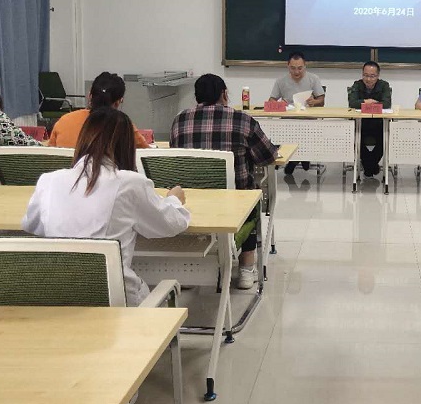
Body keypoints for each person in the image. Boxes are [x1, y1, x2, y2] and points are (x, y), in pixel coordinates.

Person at [22, 107, 190, 306]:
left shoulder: (49, 181)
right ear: (127, 145)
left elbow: (31, 225)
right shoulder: (129, 183)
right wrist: (174, 200)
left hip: (61, 301)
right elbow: (171, 224)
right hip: (117, 303)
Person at [171, 73, 278, 289]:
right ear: (224, 94)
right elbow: (268, 156)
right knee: (251, 195)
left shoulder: (180, 120)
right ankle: (246, 268)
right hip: (234, 204)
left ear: (196, 96)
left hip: (191, 202)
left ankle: (191, 267)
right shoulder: (242, 120)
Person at [48, 71, 149, 149]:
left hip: (70, 170)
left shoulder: (64, 121)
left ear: (90, 96)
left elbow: (50, 152)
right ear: (118, 102)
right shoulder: (123, 125)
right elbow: (147, 154)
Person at [268, 51, 325, 174]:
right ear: (288, 66)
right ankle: (299, 159)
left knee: (304, 133)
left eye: (300, 68)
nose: (297, 72)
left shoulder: (313, 78)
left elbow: (321, 100)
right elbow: (271, 100)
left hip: (308, 119)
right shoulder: (280, 81)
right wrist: (279, 104)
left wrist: (314, 101)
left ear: (305, 66)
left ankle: (295, 160)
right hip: (288, 120)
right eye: (293, 68)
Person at [348, 61, 392, 177]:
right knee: (355, 137)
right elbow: (352, 103)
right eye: (365, 75)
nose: (368, 79)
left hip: (378, 124)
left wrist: (367, 105)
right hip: (361, 123)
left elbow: (387, 104)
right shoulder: (357, 85)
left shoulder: (384, 85)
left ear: (378, 76)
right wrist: (366, 101)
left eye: (372, 76)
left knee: (385, 138)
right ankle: (371, 165)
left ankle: (369, 165)